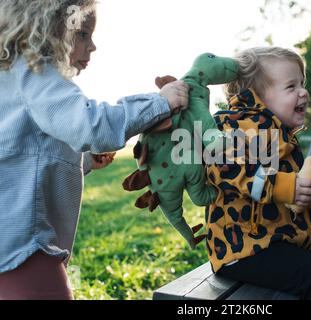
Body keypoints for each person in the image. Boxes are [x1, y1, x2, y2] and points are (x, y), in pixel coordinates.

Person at [0, 0, 189, 300]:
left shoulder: (10, 79)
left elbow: (27, 149)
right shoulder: (35, 73)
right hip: (24, 244)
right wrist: (160, 103)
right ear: (48, 29)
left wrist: (85, 159)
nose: (93, 47)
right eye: (83, 34)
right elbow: (91, 124)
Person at [205, 47, 311, 299]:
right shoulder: (235, 129)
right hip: (243, 249)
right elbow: (228, 171)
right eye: (291, 86)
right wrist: (287, 187)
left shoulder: (278, 132)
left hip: (278, 240)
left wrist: (307, 187)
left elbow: (286, 187)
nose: (304, 92)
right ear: (255, 97)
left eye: (302, 83)